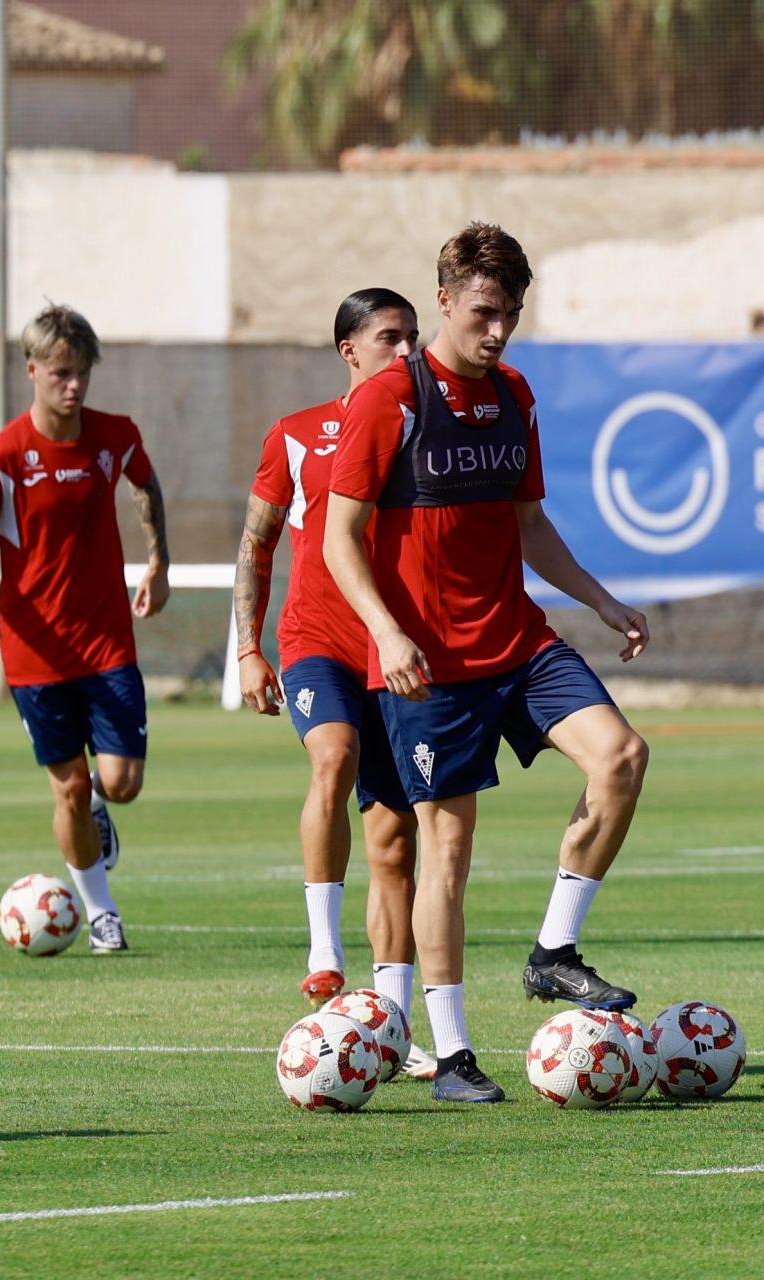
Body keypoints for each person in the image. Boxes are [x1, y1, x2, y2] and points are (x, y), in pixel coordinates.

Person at [323, 222, 652, 1104]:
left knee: (622, 758)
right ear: (444, 301)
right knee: (448, 848)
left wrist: (600, 599)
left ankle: (553, 950)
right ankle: (453, 1053)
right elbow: (339, 540)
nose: (498, 331)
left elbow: (530, 525)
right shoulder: (388, 400)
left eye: (510, 313)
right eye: (483, 312)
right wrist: (388, 635)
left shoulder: (514, 394)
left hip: (518, 641)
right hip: (428, 666)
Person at [234, 288, 436, 1079]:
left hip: (394, 654)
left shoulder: (427, 433)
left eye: (415, 338)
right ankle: (324, 948)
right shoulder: (296, 434)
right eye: (391, 338)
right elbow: (256, 544)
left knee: (395, 842)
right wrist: (248, 650)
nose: (408, 352)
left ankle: (390, 1025)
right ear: (349, 349)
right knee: (334, 755)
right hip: (316, 641)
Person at [0, 304, 171, 955]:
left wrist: (157, 560)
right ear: (34, 370)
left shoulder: (111, 434)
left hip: (106, 641)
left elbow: (145, 483)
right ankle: (101, 914)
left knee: (121, 784)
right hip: (33, 650)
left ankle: (100, 806)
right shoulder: (2, 457)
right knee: (68, 785)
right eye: (63, 374)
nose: (75, 386)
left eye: (84, 374)